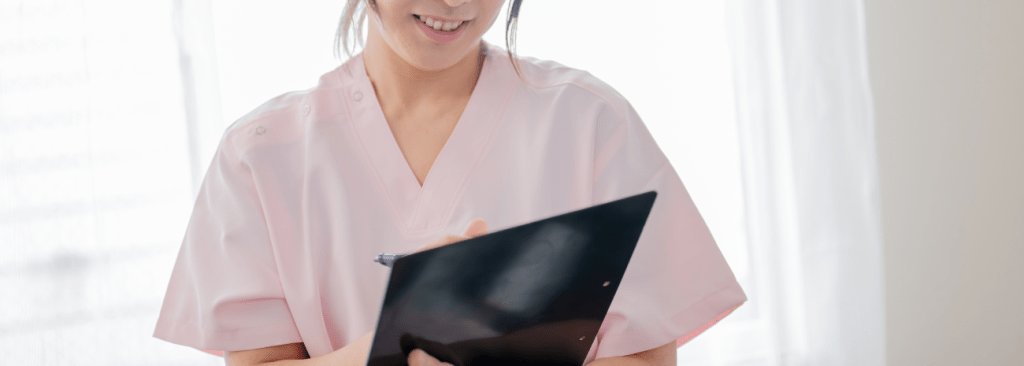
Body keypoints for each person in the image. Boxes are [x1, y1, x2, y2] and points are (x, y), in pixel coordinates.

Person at [152, 0, 747, 365]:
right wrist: (398, 345)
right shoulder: (261, 155)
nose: (458, 0)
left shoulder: (590, 123)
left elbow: (643, 358)